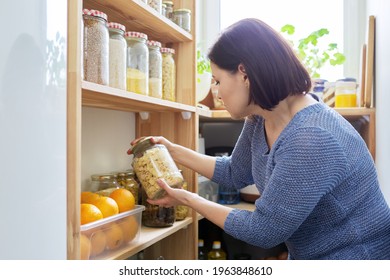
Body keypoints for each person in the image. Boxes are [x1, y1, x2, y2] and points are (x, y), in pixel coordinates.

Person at [128, 18, 390, 260]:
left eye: (218, 80)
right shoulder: (261, 115)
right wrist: (173, 152)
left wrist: (188, 199)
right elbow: (235, 172)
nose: (215, 92)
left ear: (244, 73)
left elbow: (264, 230)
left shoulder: (311, 138)